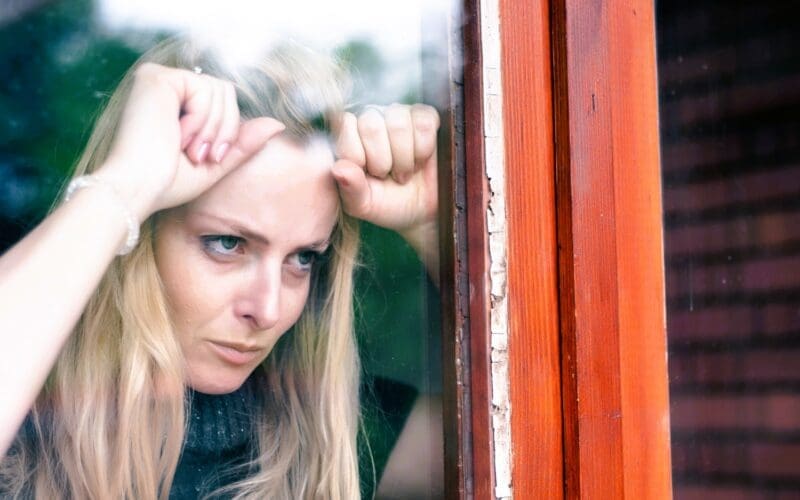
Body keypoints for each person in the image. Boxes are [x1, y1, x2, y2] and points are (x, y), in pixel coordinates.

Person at [0, 35, 440, 499]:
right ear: (139, 236)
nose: (268, 310)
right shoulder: (25, 431)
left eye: (303, 258)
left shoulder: (340, 442)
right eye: (228, 244)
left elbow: (515, 438)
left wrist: (438, 230)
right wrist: (123, 187)